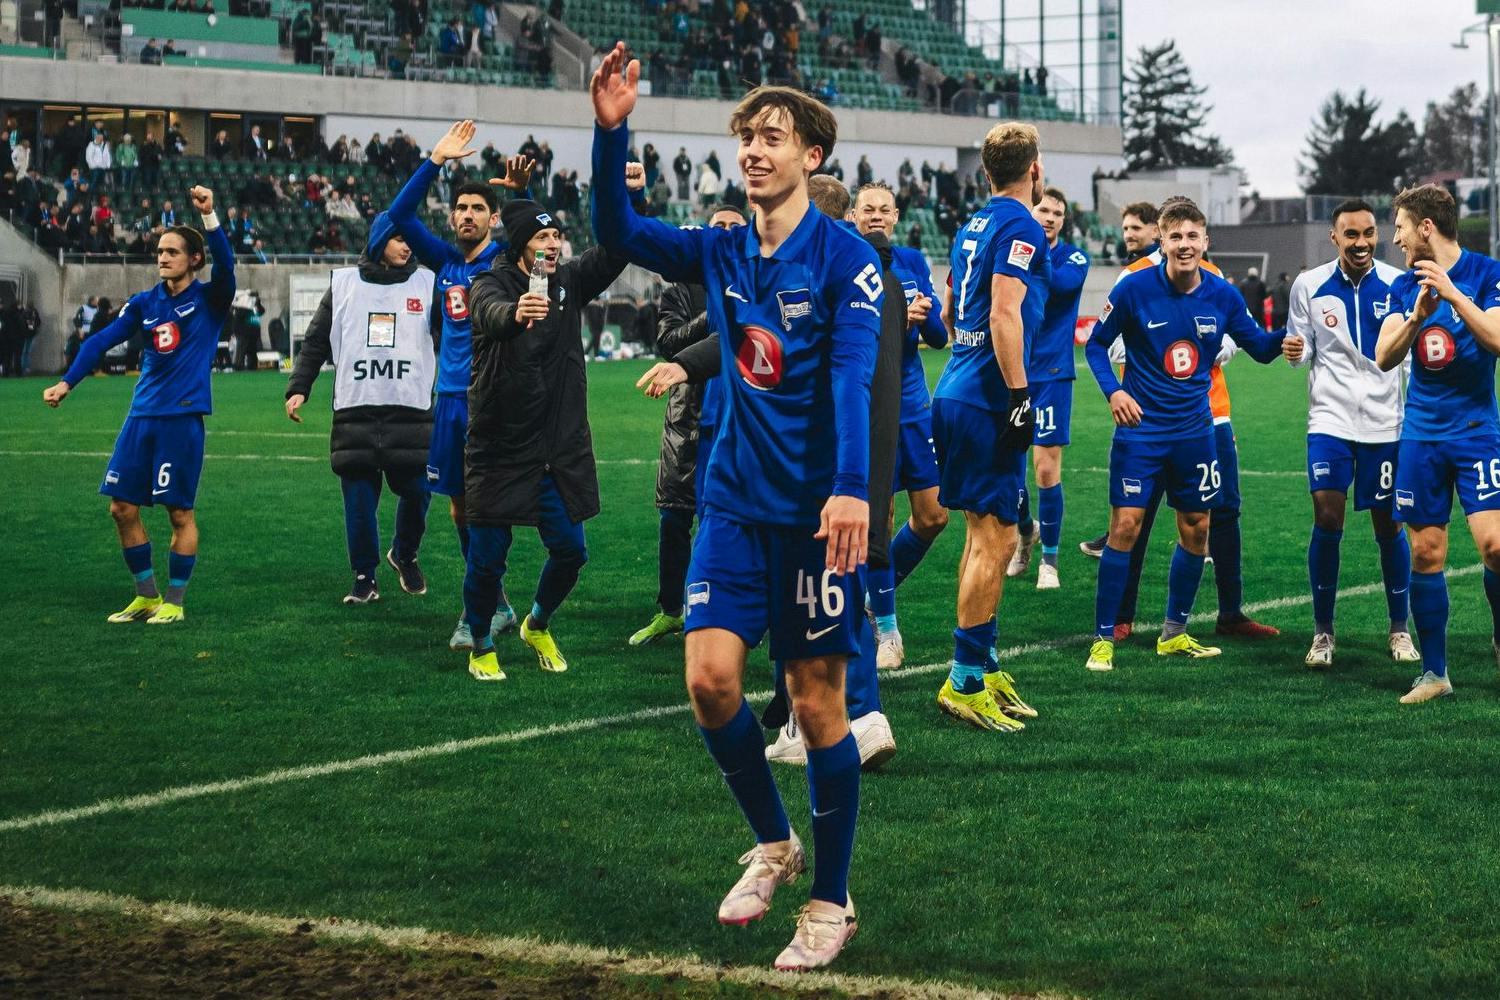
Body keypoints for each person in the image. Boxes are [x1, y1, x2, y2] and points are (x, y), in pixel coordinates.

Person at [593, 46, 876, 970]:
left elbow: (851, 378)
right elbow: (617, 229)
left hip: (814, 516)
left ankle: (830, 903)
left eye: (773, 138)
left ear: (812, 157)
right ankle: (776, 843)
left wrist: (848, 488)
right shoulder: (719, 247)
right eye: (747, 136)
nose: (754, 150)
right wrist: (610, 131)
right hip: (732, 502)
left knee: (817, 703)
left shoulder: (847, 260)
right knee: (711, 681)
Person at [1083, 199, 1285, 673]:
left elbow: (1259, 347)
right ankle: (1103, 638)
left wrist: (1292, 336)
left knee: (1197, 528)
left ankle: (1174, 633)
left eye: (1193, 236)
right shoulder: (1134, 288)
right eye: (1176, 236)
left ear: (1205, 241)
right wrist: (1114, 391)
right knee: (1125, 527)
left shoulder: (1223, 295)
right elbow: (1095, 344)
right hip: (1141, 431)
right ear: (1163, 240)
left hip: (1195, 431)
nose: (1185, 245)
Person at [460, 193, 635, 680]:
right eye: (542, 237)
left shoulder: (569, 282)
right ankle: (480, 644)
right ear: (521, 244)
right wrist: (516, 314)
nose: (553, 244)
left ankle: (536, 624)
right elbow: (490, 314)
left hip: (557, 449)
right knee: (487, 561)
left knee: (572, 551)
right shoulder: (489, 283)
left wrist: (634, 199)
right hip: (500, 445)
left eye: (557, 235)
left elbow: (617, 249)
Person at [41, 186, 233, 625]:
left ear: (194, 259)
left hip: (180, 419)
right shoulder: (145, 303)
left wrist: (209, 217)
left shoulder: (210, 298)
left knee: (179, 513)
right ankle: (146, 596)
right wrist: (67, 383)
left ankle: (175, 602)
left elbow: (227, 265)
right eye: (160, 251)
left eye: (172, 252)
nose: (162, 257)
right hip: (140, 417)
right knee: (121, 508)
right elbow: (100, 341)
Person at [386, 120, 532, 650]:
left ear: (493, 218)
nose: (468, 215)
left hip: (492, 399)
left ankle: (479, 610)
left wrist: (522, 196)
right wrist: (435, 160)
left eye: (478, 209)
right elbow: (398, 215)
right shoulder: (446, 262)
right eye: (461, 209)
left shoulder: (504, 262)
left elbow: (536, 238)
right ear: (452, 217)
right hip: (448, 399)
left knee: (489, 507)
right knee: (460, 509)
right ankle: (497, 604)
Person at [928, 122, 1047, 732]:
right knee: (995, 540)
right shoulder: (1022, 225)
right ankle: (965, 680)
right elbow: (1004, 313)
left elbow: (952, 311)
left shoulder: (972, 223)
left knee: (983, 536)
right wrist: (1020, 396)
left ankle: (985, 663)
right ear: (1035, 170)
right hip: (986, 399)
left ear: (985, 172)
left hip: (956, 386)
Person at [1374, 183, 1500, 704]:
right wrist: (1417, 318)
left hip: (1477, 433)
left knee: (1495, 546)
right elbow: (1384, 356)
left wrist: (1453, 294)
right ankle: (1435, 674)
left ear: (1426, 227)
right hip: (1422, 437)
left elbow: (1497, 339)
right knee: (1426, 553)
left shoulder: (1487, 274)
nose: (1396, 238)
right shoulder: (1404, 287)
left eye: (1401, 227)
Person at [1283, 199, 1418, 667]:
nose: (1361, 243)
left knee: (1389, 524)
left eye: (1368, 233)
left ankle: (1399, 629)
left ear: (1376, 235)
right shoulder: (1308, 285)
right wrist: (1295, 351)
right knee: (1326, 516)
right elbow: (1303, 347)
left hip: (1385, 422)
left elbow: (1410, 355)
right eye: (1351, 234)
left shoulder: (1399, 283)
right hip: (1330, 420)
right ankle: (1323, 632)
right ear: (1334, 237)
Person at [284, 214, 437, 604]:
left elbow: (452, 340)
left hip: (411, 410)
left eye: (411, 239)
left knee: (419, 490)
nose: (407, 246)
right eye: (399, 238)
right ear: (379, 240)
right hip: (356, 411)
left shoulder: (428, 283)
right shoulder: (344, 284)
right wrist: (299, 387)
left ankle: (404, 553)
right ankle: (365, 576)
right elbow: (316, 341)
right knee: (359, 502)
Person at [629, 203, 747, 647]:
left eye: (736, 226)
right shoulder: (682, 285)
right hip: (686, 411)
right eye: (720, 226)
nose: (727, 232)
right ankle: (669, 610)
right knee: (675, 516)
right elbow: (668, 341)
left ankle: (724, 610)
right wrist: (716, 314)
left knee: (726, 518)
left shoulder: (756, 280)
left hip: (737, 412)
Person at [847, 181, 948, 669]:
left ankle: (871, 598)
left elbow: (940, 337)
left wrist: (923, 318)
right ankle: (887, 631)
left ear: (895, 216)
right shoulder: (847, 262)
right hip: (871, 406)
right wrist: (893, 319)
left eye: (884, 209)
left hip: (913, 405)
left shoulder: (911, 261)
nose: (876, 216)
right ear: (853, 216)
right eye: (867, 209)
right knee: (880, 520)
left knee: (933, 516)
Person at [1007, 186, 1089, 589]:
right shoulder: (1016, 250)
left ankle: (1049, 562)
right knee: (1009, 470)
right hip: (1013, 371)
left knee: (1045, 468)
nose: (1050, 218)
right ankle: (1026, 530)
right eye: (1044, 210)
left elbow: (1058, 285)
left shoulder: (1074, 258)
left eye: (1057, 213)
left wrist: (1025, 253)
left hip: (1053, 373)